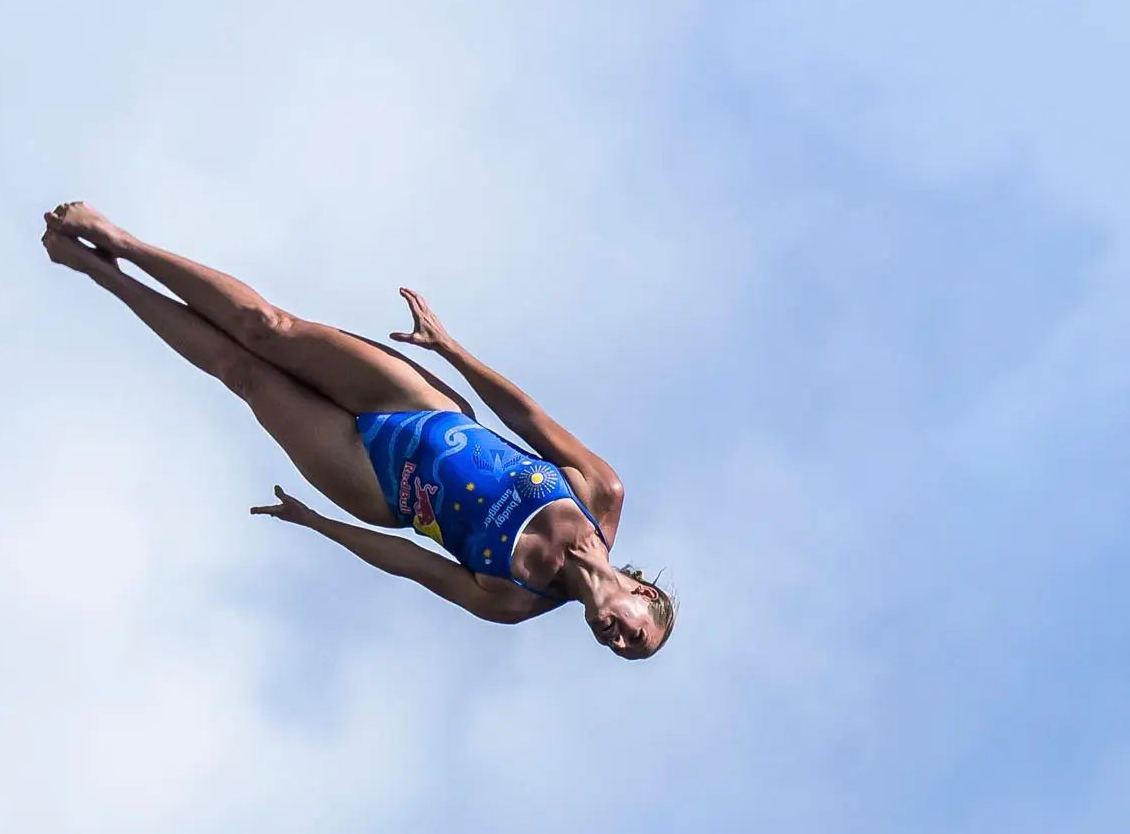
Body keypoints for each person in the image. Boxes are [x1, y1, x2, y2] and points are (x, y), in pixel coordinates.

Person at [40, 202, 671, 659]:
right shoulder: (600, 496)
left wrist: (318, 523)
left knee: (244, 372)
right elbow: (525, 416)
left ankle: (101, 274)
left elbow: (409, 563)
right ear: (642, 593)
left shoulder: (513, 599)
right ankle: (122, 243)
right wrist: (449, 348)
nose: (615, 641)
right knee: (269, 328)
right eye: (634, 634)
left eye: (619, 650)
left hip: (373, 484)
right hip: (423, 408)